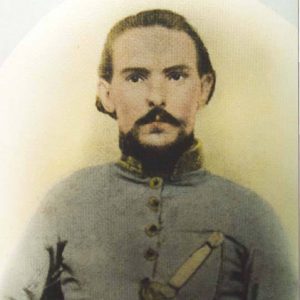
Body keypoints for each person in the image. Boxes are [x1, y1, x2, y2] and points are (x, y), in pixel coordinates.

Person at [1, 9, 296, 300]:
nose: (156, 96)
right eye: (136, 78)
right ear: (107, 94)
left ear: (204, 88)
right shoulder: (67, 201)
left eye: (176, 76)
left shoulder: (251, 215)